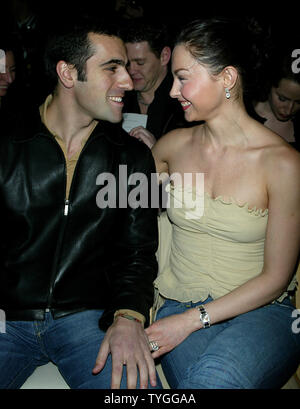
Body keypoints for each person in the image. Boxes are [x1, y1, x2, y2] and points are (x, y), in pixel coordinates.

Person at [0, 16, 161, 389]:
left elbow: (139, 253)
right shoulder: (7, 143)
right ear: (68, 74)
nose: (127, 80)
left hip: (88, 317)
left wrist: (128, 316)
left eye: (127, 67)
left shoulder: (132, 158)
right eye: (112, 68)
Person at [145, 17, 300, 389]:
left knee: (215, 377)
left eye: (183, 77)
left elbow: (277, 277)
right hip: (180, 300)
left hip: (264, 312)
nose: (172, 91)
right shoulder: (170, 149)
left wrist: (189, 321)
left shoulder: (283, 164)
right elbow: (125, 224)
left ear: (227, 79)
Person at [121, 18, 189, 148]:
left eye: (140, 62)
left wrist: (158, 153)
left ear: (164, 56)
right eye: (127, 63)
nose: (131, 70)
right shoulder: (119, 101)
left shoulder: (184, 106)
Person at [250, 49, 300, 151]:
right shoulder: (243, 112)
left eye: (299, 102)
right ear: (269, 85)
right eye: (282, 99)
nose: (289, 110)